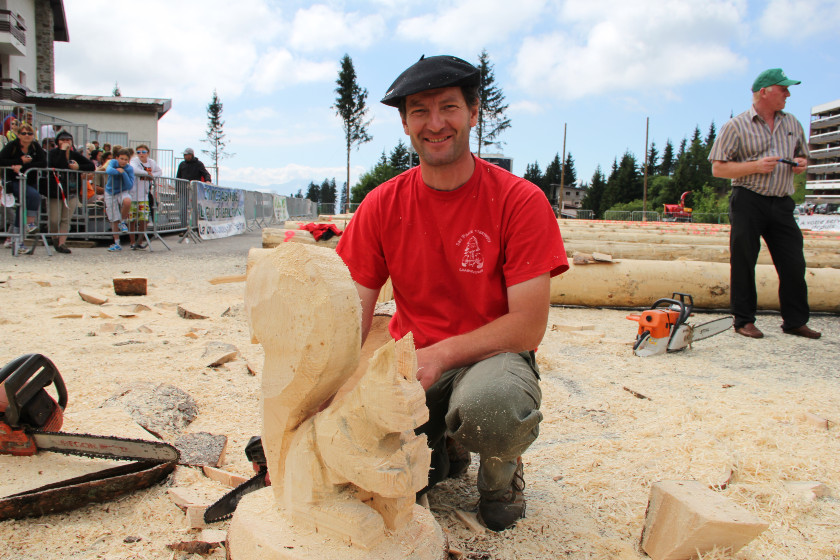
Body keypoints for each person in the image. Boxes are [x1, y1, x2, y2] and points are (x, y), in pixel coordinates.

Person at [335, 55, 568, 531]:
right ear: (404, 122)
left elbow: (527, 324)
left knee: (493, 407)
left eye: (449, 107)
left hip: (493, 357)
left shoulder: (519, 201)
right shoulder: (382, 204)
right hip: (412, 367)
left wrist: (440, 355)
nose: (435, 123)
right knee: (374, 466)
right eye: (420, 111)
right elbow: (350, 309)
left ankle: (501, 477)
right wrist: (331, 386)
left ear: (473, 112)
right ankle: (444, 452)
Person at [709, 68, 820, 340]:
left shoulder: (792, 123)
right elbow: (718, 169)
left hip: (782, 202)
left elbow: (803, 158)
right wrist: (755, 166)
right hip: (748, 199)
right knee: (744, 260)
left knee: (794, 262)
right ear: (764, 91)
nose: (788, 94)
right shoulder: (735, 126)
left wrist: (801, 165)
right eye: (783, 89)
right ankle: (744, 320)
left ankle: (795, 321)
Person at [45, 131, 96, 253]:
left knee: (66, 219)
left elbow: (90, 166)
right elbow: (58, 165)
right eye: (62, 140)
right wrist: (63, 151)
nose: (65, 142)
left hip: (72, 191)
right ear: (58, 142)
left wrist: (78, 168)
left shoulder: (75, 154)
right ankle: (54, 238)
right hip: (55, 191)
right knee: (54, 219)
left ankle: (62, 243)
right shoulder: (52, 153)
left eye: (68, 139)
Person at [0, 122, 46, 245]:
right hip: (13, 180)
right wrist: (18, 161)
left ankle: (17, 241)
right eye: (24, 133)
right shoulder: (12, 145)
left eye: (30, 133)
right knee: (33, 196)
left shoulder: (35, 147)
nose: (27, 135)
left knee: (22, 208)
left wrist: (25, 165)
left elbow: (44, 162)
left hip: (30, 180)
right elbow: (1, 160)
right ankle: (30, 224)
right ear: (19, 135)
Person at [129, 144, 162, 249]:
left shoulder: (152, 162)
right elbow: (134, 170)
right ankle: (132, 242)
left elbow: (159, 171)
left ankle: (139, 241)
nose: (141, 154)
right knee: (132, 220)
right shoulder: (134, 161)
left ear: (147, 153)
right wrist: (147, 174)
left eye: (143, 152)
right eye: (138, 152)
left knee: (144, 219)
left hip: (144, 195)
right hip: (133, 194)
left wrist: (151, 175)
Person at [104, 148, 135, 252]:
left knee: (127, 201)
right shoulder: (112, 162)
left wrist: (123, 173)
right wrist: (118, 171)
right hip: (110, 191)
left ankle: (122, 221)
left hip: (122, 191)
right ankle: (116, 243)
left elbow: (129, 185)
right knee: (113, 218)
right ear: (117, 158)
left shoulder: (129, 169)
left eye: (126, 159)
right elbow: (108, 170)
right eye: (121, 158)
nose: (123, 161)